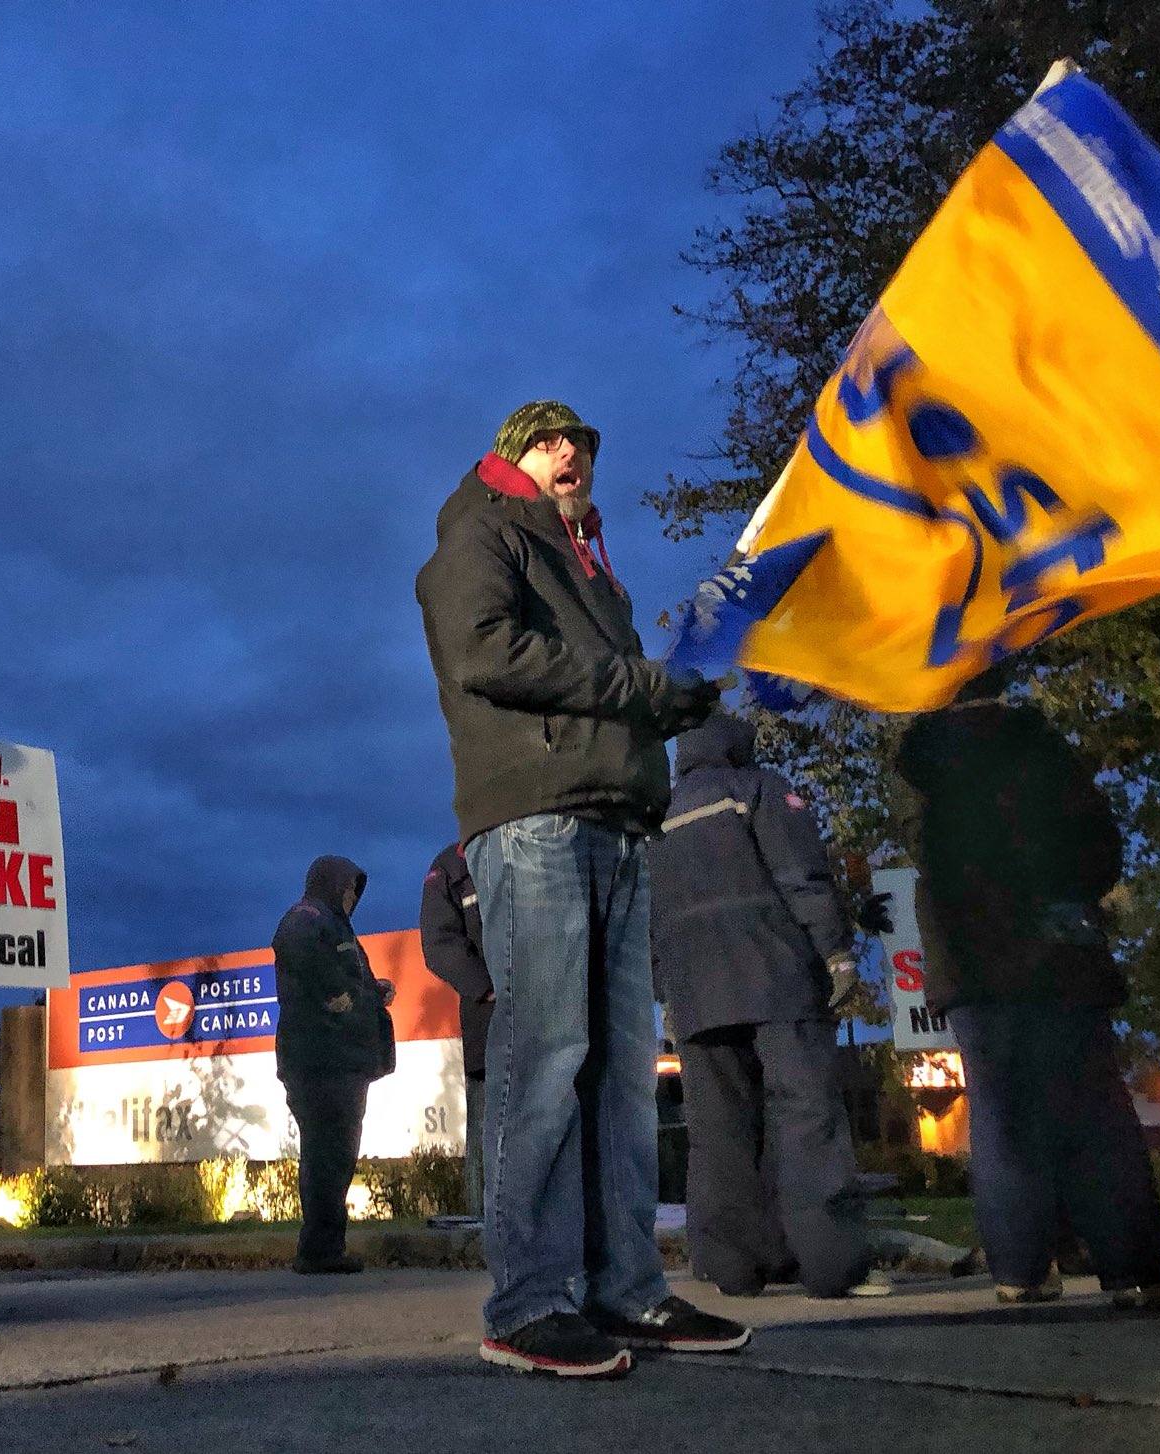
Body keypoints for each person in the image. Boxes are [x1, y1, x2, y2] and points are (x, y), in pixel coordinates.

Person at [415, 400, 743, 1379]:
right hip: (535, 813)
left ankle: (623, 1288)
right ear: (512, 454)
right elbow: (484, 653)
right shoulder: (477, 532)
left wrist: (672, 687)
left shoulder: (589, 564)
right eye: (552, 439)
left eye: (585, 443)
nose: (574, 454)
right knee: (546, 1054)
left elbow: (615, 683)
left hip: (611, 816)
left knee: (616, 1076)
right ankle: (525, 1300)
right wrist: (640, 687)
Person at [892, 672, 1160, 1311]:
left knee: (1002, 1120)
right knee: (1092, 1111)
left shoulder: (920, 770)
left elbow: (927, 855)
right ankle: (1135, 1270)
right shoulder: (1043, 752)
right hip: (1056, 947)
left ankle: (1021, 1270)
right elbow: (1098, 846)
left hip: (970, 958)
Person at [650, 714, 885, 1300]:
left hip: (695, 994)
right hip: (778, 978)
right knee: (807, 1117)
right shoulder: (759, 789)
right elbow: (802, 876)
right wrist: (837, 956)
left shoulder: (656, 816)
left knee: (719, 1129)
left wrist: (667, 990)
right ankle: (833, 1267)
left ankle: (734, 1267)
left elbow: (649, 915)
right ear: (738, 748)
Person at [271, 854, 393, 1275]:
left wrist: (371, 992)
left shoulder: (336, 926)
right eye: (346, 887)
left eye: (354, 890)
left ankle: (327, 1246)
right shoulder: (306, 916)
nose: (351, 896)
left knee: (336, 1154)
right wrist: (332, 993)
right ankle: (319, 1249)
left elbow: (344, 980)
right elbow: (297, 951)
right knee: (326, 1154)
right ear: (330, 884)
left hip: (341, 1061)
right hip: (319, 1062)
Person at [419, 842, 491, 1218]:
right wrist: (487, 986)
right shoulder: (450, 866)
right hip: (488, 1020)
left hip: (549, 1017)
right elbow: (438, 943)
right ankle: (484, 1225)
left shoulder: (532, 841)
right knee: (487, 1130)